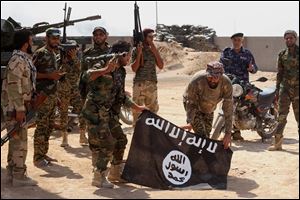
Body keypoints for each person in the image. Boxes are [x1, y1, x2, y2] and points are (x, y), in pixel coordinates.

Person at [81, 40, 147, 188]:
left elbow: (121, 95)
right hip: (95, 112)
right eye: (129, 55)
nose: (130, 58)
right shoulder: (104, 62)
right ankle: (99, 176)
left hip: (109, 113)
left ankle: (115, 173)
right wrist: (105, 70)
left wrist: (136, 107)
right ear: (122, 54)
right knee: (107, 143)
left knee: (121, 140)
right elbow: (86, 76)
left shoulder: (121, 71)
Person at [1, 29, 38, 186]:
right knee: (20, 142)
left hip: (19, 106)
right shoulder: (18, 60)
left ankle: (12, 172)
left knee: (16, 140)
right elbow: (13, 85)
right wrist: (20, 108)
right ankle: (19, 176)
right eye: (31, 40)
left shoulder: (23, 58)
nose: (32, 43)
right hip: (15, 107)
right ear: (25, 43)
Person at [33, 28, 65, 167]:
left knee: (49, 127)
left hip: (51, 96)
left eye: (58, 38)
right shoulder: (40, 53)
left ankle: (43, 153)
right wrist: (48, 76)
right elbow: (30, 74)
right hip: (42, 96)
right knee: (41, 126)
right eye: (53, 38)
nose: (56, 41)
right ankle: (37, 158)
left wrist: (56, 97)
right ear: (46, 39)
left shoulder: (54, 53)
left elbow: (54, 79)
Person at [181, 61, 232, 149]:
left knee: (206, 139)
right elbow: (190, 103)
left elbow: (228, 110)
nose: (212, 80)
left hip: (209, 108)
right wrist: (190, 121)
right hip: (194, 106)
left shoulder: (226, 83)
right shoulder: (197, 80)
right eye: (210, 77)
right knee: (202, 136)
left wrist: (228, 133)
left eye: (215, 78)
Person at [220, 32, 258, 141]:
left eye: (239, 40)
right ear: (232, 40)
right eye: (235, 40)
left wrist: (252, 69)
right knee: (226, 106)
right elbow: (220, 64)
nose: (237, 42)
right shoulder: (226, 52)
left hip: (242, 85)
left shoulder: (247, 53)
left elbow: (255, 68)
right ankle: (225, 131)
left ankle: (237, 132)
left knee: (240, 107)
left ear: (242, 41)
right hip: (228, 83)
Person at [78, 26, 110, 146]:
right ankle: (82, 133)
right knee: (86, 112)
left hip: (107, 89)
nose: (98, 37)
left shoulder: (111, 51)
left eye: (101, 34)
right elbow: (82, 72)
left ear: (106, 36)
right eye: (96, 35)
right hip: (90, 89)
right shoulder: (87, 53)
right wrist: (80, 88)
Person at [268, 30, 299, 151]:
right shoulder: (282, 54)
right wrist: (277, 90)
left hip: (298, 90)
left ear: (295, 39)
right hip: (285, 89)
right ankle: (277, 143)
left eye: (291, 38)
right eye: (286, 38)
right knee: (281, 116)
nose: (289, 40)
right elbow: (279, 73)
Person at [131, 28, 164, 126]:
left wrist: (154, 49)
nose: (152, 39)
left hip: (152, 84)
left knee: (153, 112)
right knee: (137, 112)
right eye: (150, 37)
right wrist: (139, 53)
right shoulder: (136, 50)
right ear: (144, 37)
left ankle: (151, 136)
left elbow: (161, 65)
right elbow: (134, 68)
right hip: (139, 83)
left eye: (153, 37)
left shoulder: (153, 49)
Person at [57, 41, 82, 147]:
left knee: (81, 108)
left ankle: (73, 125)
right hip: (63, 89)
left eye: (74, 49)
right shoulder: (60, 58)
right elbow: (58, 72)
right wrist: (64, 61)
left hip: (74, 89)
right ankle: (64, 137)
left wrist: (74, 57)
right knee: (63, 112)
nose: (72, 51)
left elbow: (79, 70)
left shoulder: (77, 58)